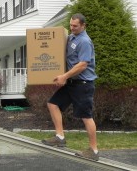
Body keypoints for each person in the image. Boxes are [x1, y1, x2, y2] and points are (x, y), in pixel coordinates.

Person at [41, 13, 99, 161]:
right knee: (53, 103)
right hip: (72, 83)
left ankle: (94, 151)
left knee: (86, 117)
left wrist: (64, 76)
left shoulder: (84, 41)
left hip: (83, 85)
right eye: (71, 25)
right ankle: (60, 137)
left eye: (75, 26)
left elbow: (83, 64)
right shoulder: (72, 37)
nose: (72, 28)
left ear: (83, 26)